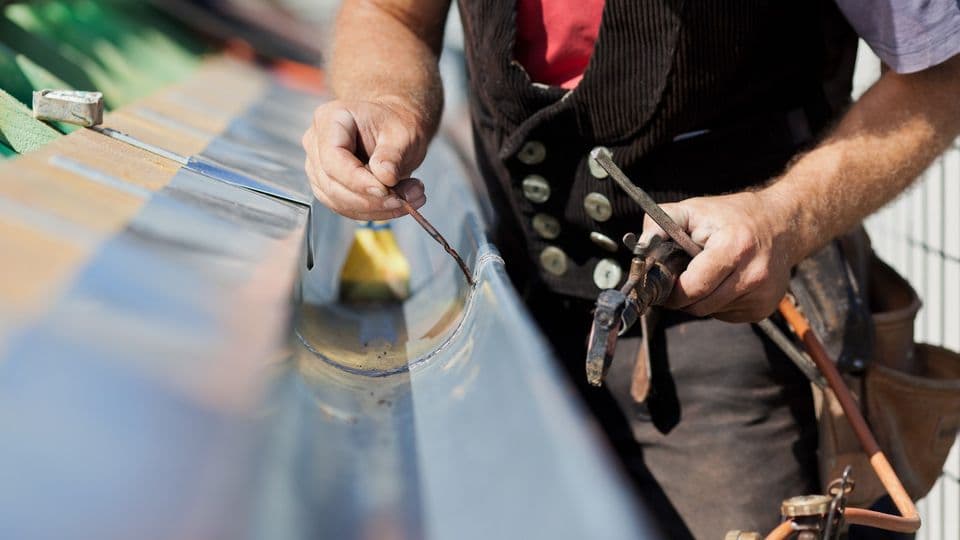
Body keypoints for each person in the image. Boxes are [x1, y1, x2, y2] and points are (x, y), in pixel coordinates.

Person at [302, 1, 960, 537]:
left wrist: (783, 217)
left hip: (737, 346)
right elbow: (388, 13)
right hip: (505, 315)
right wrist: (386, 100)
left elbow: (941, 73)